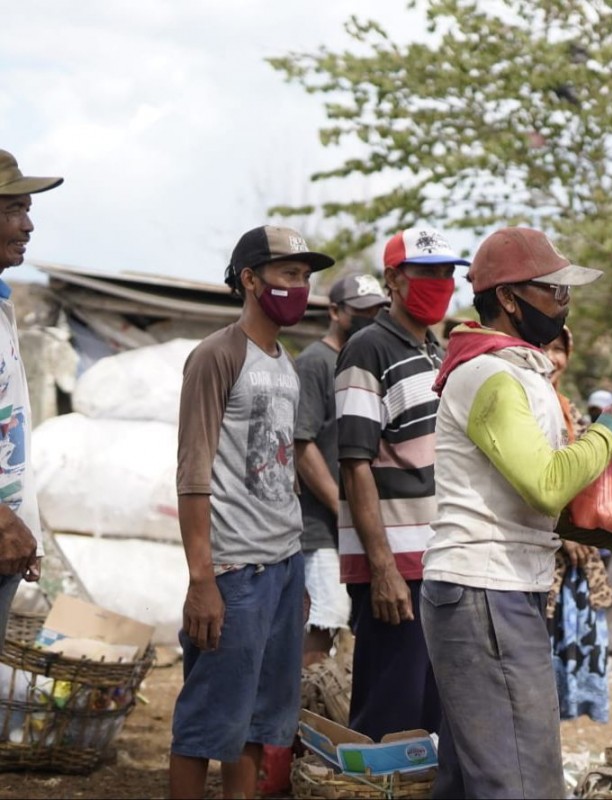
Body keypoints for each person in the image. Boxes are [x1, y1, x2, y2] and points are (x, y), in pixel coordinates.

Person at [421, 226, 612, 798]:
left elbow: (545, 500)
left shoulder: (514, 370)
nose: (564, 304)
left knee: (477, 778)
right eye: (553, 291)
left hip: (491, 588)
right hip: (486, 588)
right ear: (509, 298)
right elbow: (545, 486)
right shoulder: (491, 376)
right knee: (520, 780)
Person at [170, 225, 335, 799]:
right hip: (235, 573)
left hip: (282, 570)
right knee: (204, 724)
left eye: (306, 277)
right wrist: (202, 580)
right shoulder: (218, 355)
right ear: (249, 279)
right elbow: (193, 476)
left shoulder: (283, 363)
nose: (300, 286)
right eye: (289, 274)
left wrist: (297, 573)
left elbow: (281, 469)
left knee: (255, 725)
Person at [335, 227, 467, 742]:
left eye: (447, 273)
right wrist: (382, 568)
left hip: (439, 559)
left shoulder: (437, 351)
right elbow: (355, 463)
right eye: (427, 273)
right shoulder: (367, 349)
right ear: (394, 279)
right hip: (397, 569)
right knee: (389, 715)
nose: (441, 283)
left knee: (431, 718)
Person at [295, 273, 388, 667]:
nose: (371, 318)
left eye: (376, 311)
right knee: (322, 621)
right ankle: (299, 720)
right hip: (320, 526)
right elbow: (301, 445)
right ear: (335, 311)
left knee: (344, 624)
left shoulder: (364, 361)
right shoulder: (315, 363)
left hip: (356, 523)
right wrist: (341, 506)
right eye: (361, 311)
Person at [0, 150, 59, 638]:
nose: (28, 225)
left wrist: (26, 526)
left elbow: (12, 428)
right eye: (12, 210)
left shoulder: (2, 307)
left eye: (27, 209)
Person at [543, 325, 612, 722]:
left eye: (560, 349)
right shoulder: (530, 407)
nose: (554, 358)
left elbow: (589, 477)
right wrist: (563, 533)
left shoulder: (567, 407)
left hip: (579, 559)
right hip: (545, 556)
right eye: (546, 347)